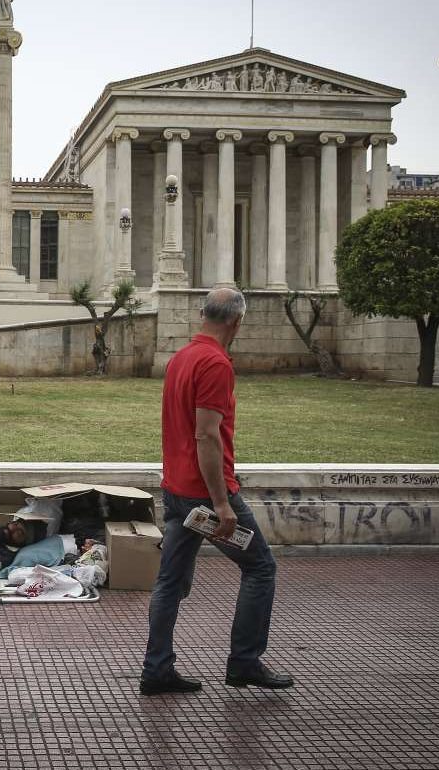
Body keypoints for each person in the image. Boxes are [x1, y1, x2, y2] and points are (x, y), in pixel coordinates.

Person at [140, 287, 294, 696]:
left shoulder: (181, 358)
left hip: (176, 490)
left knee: (170, 582)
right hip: (206, 495)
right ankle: (244, 662)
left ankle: (157, 669)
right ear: (237, 322)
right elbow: (206, 435)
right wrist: (223, 503)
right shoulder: (215, 363)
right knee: (260, 568)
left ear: (203, 314)